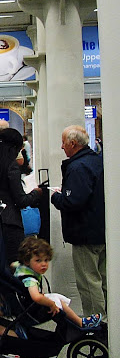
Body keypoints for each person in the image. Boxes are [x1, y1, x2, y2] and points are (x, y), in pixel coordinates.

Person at [50, 125, 106, 320]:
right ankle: (109, 323)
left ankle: (95, 322)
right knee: (104, 280)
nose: (62, 146)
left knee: (89, 283)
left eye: (64, 142)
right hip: (101, 230)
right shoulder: (97, 161)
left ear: (73, 143)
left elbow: (73, 201)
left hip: (85, 232)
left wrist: (56, 197)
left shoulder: (77, 167)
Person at [0, 128, 42, 265]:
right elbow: (21, 200)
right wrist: (37, 192)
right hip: (8, 222)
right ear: (14, 147)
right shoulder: (10, 165)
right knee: (12, 265)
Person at [13, 237, 101, 328]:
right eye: (38, 260)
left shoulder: (21, 267)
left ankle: (78, 322)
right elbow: (36, 297)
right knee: (56, 300)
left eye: (46, 260)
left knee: (57, 298)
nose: (43, 264)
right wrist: (52, 304)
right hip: (32, 309)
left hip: (26, 304)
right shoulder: (30, 280)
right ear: (27, 261)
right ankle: (80, 322)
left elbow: (13, 265)